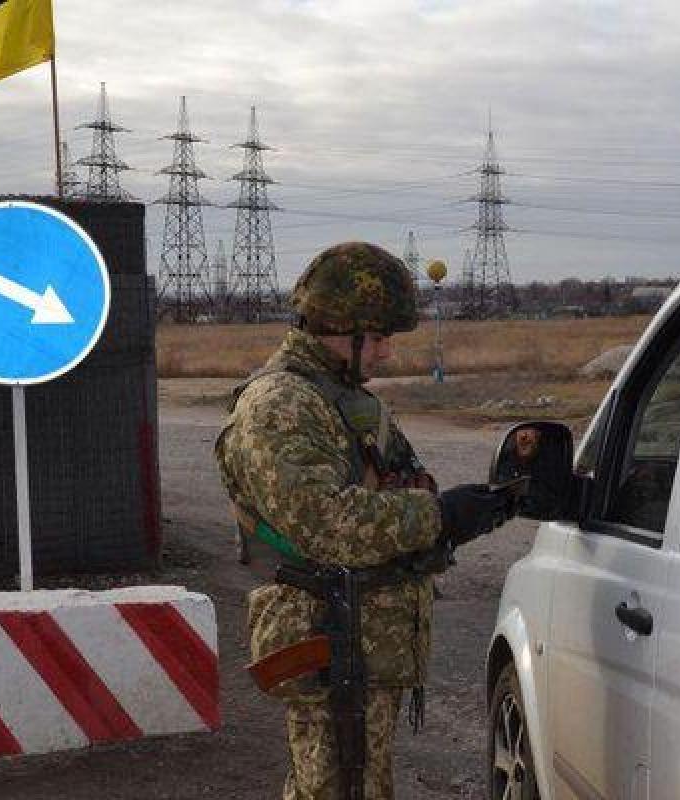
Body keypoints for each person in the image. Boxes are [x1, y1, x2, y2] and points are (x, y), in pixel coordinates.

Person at [215, 242, 511, 799]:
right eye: (376, 338)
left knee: (357, 785)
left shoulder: (343, 399)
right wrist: (438, 516)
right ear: (335, 328)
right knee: (335, 788)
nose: (386, 354)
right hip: (330, 642)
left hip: (363, 640)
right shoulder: (282, 404)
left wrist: (461, 512)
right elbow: (324, 523)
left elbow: (397, 487)